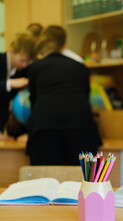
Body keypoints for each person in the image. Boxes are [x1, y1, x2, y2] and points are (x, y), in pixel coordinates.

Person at [27, 26, 102, 165]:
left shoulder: (35, 67)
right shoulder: (80, 67)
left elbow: (34, 99)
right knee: (82, 178)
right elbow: (85, 97)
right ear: (63, 46)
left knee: (44, 179)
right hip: (80, 125)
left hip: (44, 125)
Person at [0, 32, 34, 138]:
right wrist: (10, 83)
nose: (24, 65)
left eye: (27, 62)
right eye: (22, 60)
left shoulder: (23, 70)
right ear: (11, 51)